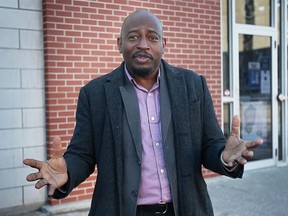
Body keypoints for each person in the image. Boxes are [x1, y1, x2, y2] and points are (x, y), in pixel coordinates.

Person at [24, 9, 263, 216]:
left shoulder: (193, 85)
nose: (143, 44)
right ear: (119, 44)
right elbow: (83, 154)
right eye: (133, 37)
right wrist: (68, 170)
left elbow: (210, 145)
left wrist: (225, 157)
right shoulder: (94, 93)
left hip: (185, 209)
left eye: (152, 37)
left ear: (163, 44)